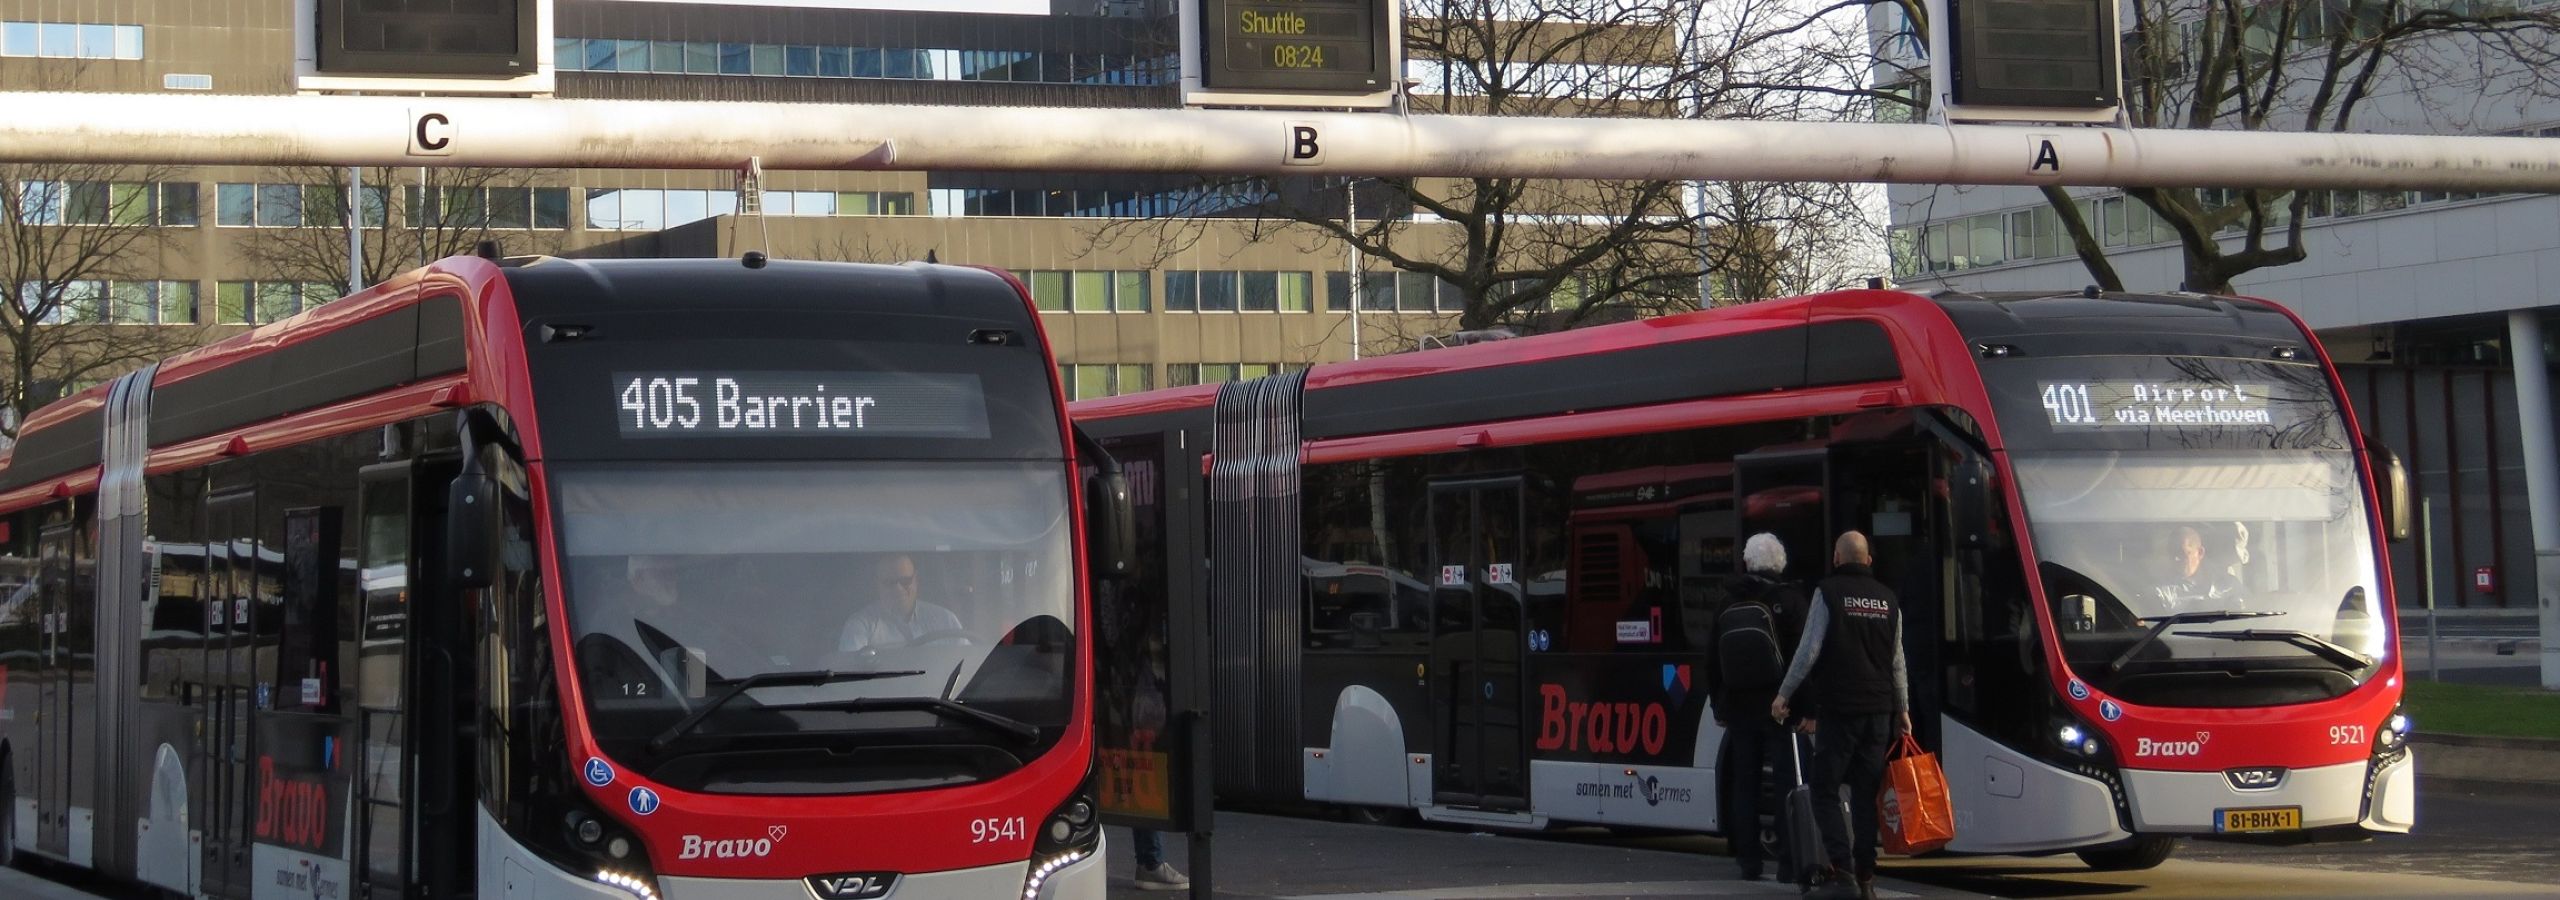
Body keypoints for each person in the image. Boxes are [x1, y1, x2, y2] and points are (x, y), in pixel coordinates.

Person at [1771, 532, 1909, 900]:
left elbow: (1809, 650)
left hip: (1840, 709)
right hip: (1879, 712)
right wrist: (1904, 709)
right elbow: (1897, 661)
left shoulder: (1828, 592)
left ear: (1836, 558)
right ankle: (1866, 876)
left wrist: (1784, 694)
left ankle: (1842, 869)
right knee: (1866, 794)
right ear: (1868, 560)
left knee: (1824, 790)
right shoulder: (1889, 600)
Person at [1704, 533, 1806, 882]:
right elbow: (1802, 659)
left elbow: (1712, 659)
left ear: (1747, 563)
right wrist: (1803, 708)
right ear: (1781, 564)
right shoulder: (1791, 599)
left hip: (1738, 706)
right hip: (1781, 707)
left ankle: (1749, 861)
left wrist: (1718, 703)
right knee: (1786, 783)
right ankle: (1790, 863)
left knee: (1743, 784)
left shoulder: (1726, 602)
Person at [838, 552, 967, 653]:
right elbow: (850, 673)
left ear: (916, 580)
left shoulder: (946, 620)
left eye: (905, 581)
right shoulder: (860, 626)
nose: (898, 589)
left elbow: (967, 666)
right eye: (889, 583)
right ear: (877, 584)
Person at [2153, 524, 2241, 612]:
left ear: (2200, 553)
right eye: (2172, 553)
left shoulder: (2230, 585)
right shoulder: (2162, 593)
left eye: (2181, 553)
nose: (2176, 558)